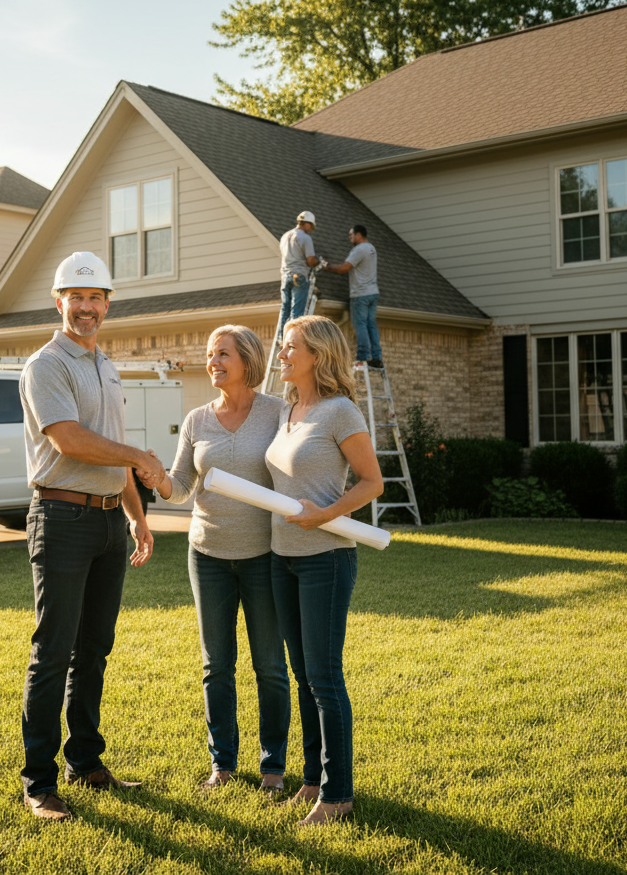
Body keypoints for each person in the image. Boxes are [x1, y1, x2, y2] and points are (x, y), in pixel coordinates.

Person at [19, 251, 166, 822]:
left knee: (94, 650)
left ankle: (86, 761)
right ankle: (38, 782)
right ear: (60, 302)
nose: (86, 308)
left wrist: (136, 514)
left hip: (108, 520)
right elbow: (70, 441)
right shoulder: (45, 365)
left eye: (95, 298)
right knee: (53, 652)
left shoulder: (105, 365)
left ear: (107, 304)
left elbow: (112, 454)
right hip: (60, 520)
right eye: (76, 298)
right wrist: (140, 458)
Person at [154, 325, 291, 793]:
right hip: (207, 554)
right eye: (210, 354)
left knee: (270, 664)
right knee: (217, 665)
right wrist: (157, 478)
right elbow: (180, 486)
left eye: (223, 354)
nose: (213, 361)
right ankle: (223, 765)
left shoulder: (277, 412)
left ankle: (273, 767)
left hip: (263, 555)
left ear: (248, 360)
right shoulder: (197, 420)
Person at [266, 314, 383, 825]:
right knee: (302, 675)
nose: (282, 353)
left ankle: (338, 796)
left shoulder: (339, 413)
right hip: (281, 556)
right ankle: (313, 779)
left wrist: (325, 514)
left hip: (326, 559)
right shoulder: (290, 409)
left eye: (291, 347)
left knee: (324, 678)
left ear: (318, 354)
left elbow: (371, 482)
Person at [322, 225, 381, 368]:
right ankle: (377, 358)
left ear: (359, 235)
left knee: (360, 324)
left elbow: (345, 268)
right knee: (371, 326)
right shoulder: (371, 248)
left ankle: (363, 356)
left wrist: (326, 266)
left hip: (360, 294)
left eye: (351, 235)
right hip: (373, 292)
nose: (350, 238)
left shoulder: (359, 249)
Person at [276, 211, 320, 342]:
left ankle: (281, 338)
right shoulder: (305, 238)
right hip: (299, 277)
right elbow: (310, 261)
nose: (310, 231)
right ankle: (293, 340)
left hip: (285, 277)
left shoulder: (285, 236)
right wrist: (319, 261)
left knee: (285, 308)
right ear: (307, 224)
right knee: (297, 312)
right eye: (311, 227)